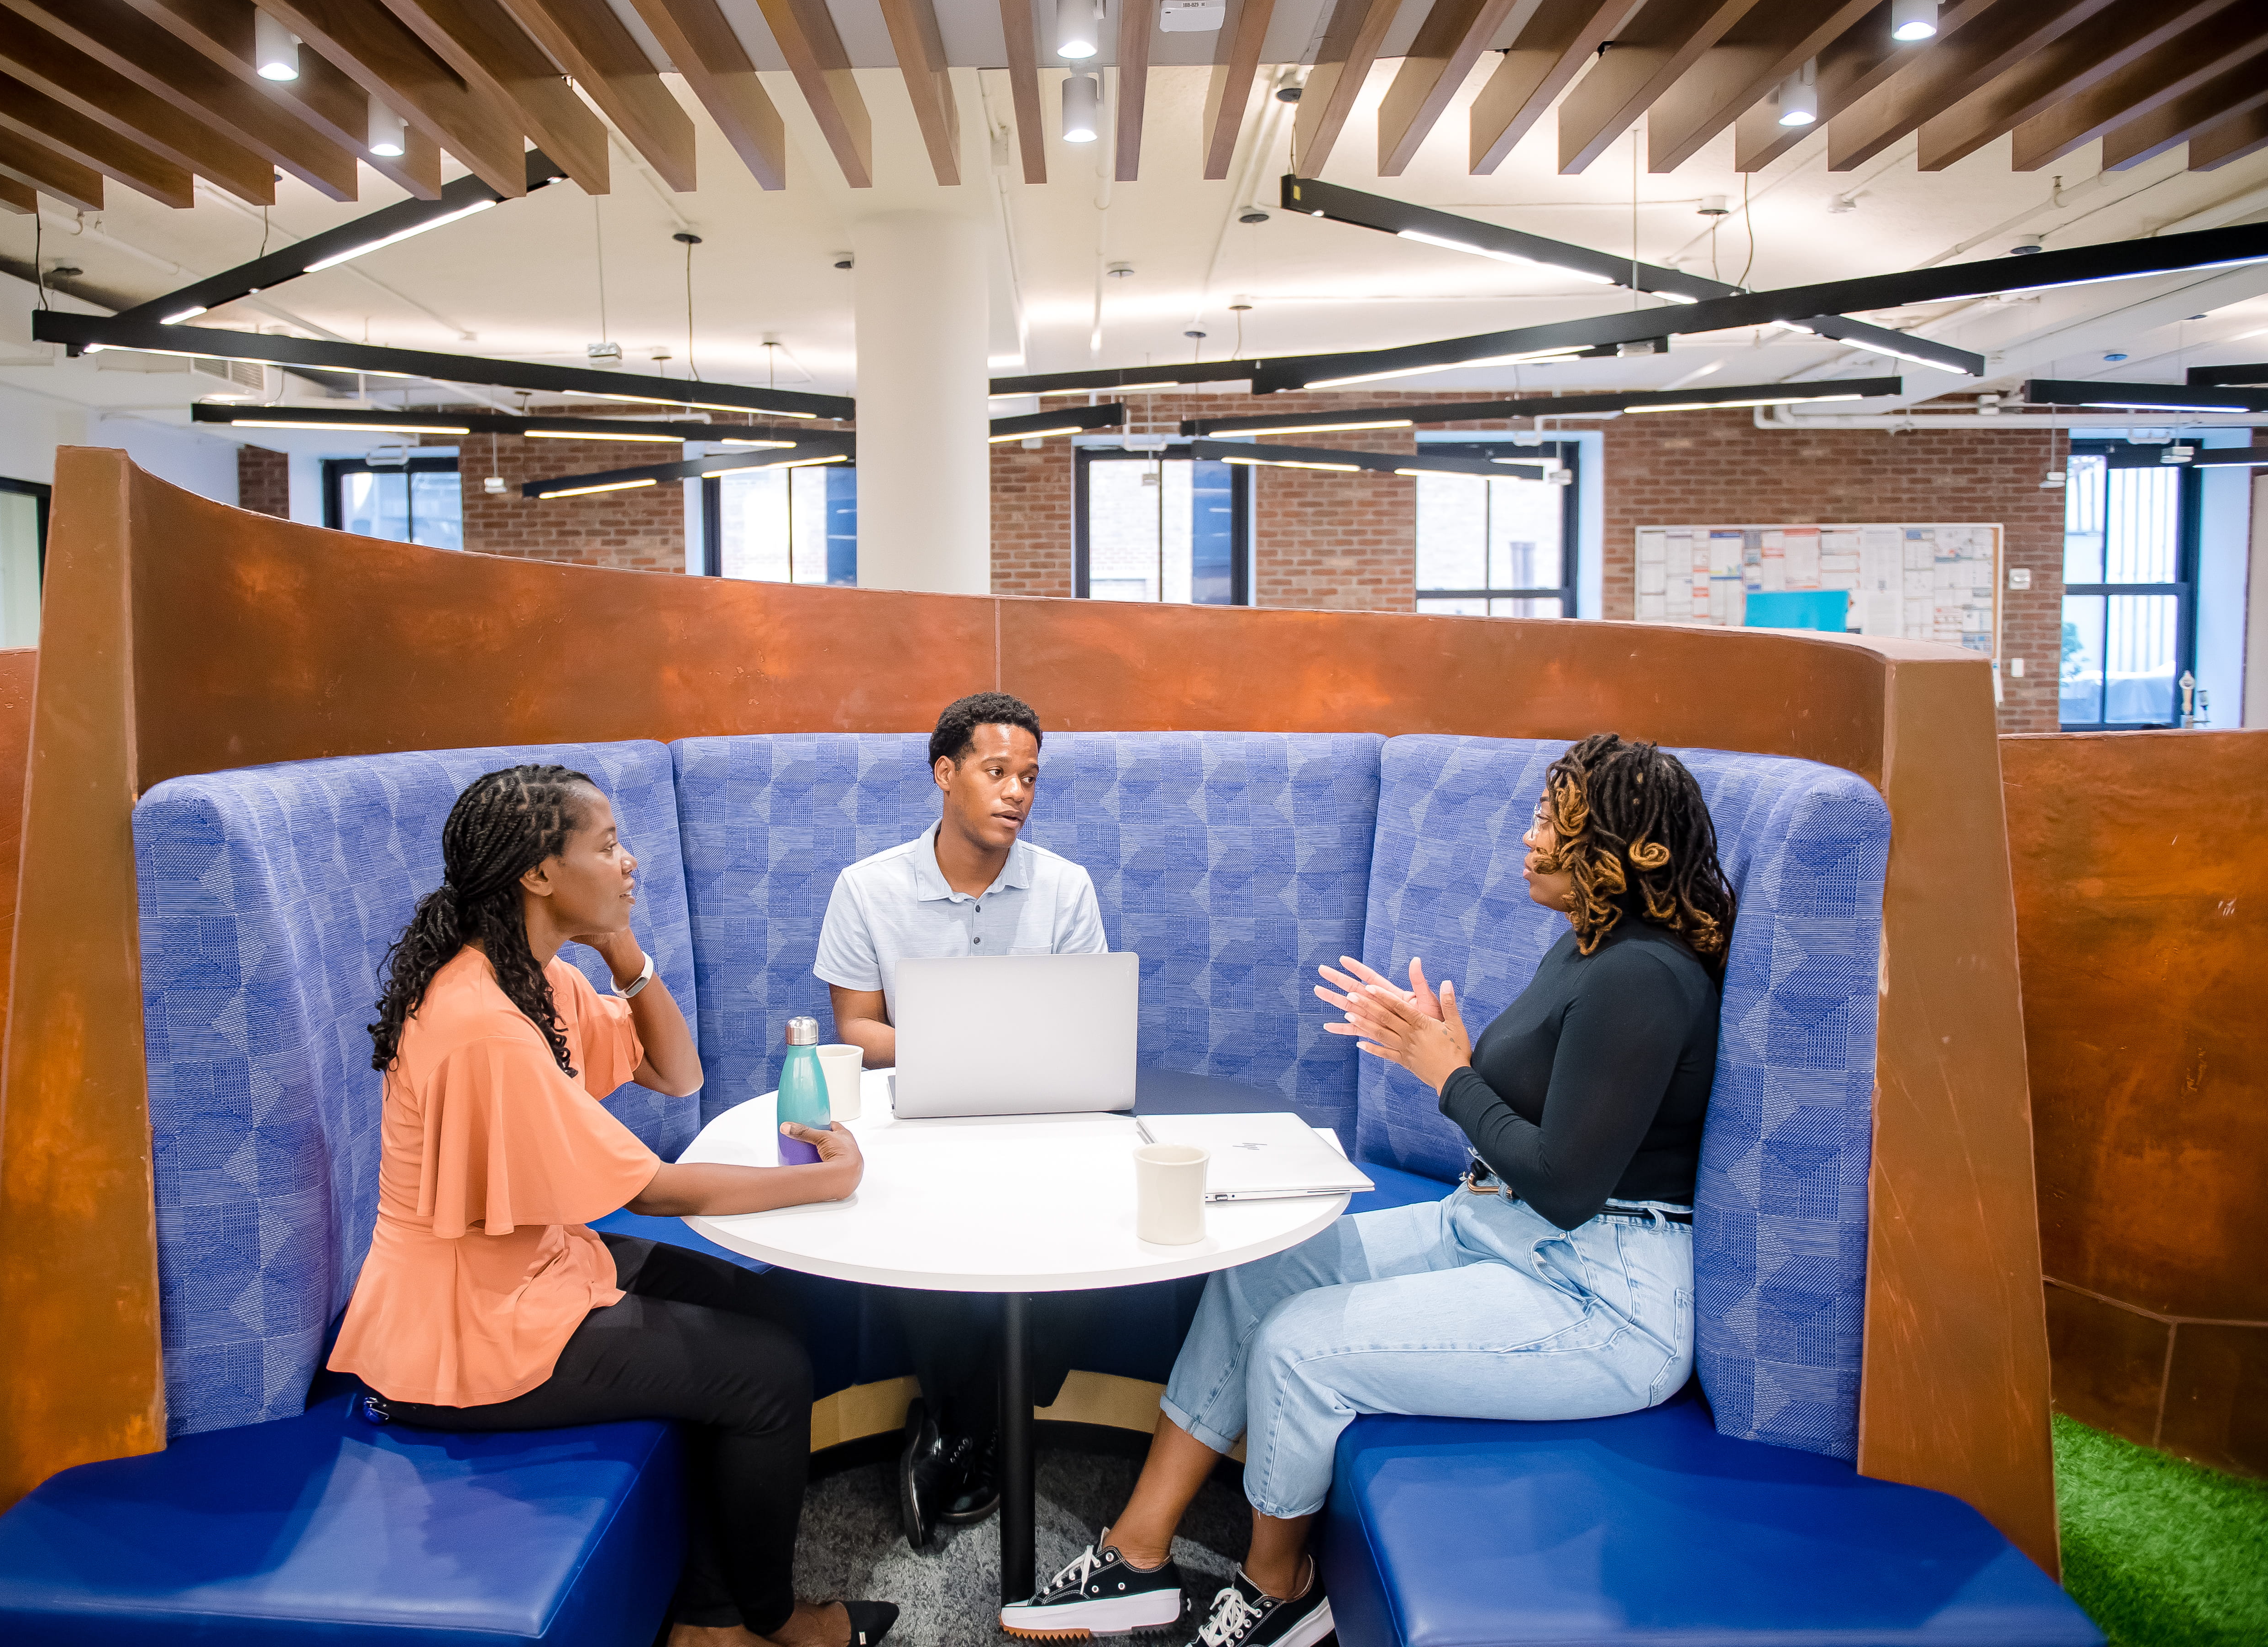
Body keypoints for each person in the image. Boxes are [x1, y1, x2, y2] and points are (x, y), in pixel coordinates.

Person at [1000, 733, 1733, 1647]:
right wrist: (1455, 1056)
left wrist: (1449, 1074)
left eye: (1555, 820)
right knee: (1259, 1271)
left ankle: (1280, 1589)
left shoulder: (1646, 977)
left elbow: (1569, 1184)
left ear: (1628, 850)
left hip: (1600, 1297)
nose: (1532, 834)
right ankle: (1139, 1552)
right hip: (1499, 1229)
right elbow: (1548, 1128)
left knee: (1301, 1347)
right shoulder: (1588, 950)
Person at [328, 765, 895, 1647]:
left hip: (538, 1266)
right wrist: (827, 1178)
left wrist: (625, 951)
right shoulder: (481, 1022)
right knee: (768, 1372)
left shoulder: (531, 978)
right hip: (463, 1332)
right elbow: (653, 1192)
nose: (630, 863)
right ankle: (764, 1623)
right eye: (608, 846)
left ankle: (710, 1618)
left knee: (775, 1306)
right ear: (539, 874)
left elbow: (677, 1074)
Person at [812, 691, 1108, 1548]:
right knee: (918, 1234)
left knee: (1096, 1248)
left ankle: (954, 1434)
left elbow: (1086, 1019)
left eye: (1030, 777)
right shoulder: (867, 888)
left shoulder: (1064, 887)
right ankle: (968, 1433)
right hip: (923, 1116)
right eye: (996, 771)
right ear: (945, 774)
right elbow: (857, 1029)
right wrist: (955, 1051)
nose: (1017, 791)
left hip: (1041, 1116)